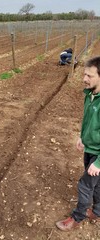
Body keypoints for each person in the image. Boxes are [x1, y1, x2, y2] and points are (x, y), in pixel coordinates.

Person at [56, 56, 100, 231]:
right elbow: (88, 121)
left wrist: (98, 162)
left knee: (85, 185)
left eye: (89, 76)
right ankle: (97, 211)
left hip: (98, 154)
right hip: (90, 148)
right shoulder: (90, 95)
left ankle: (77, 217)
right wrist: (82, 137)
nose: (84, 79)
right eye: (84, 74)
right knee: (97, 184)